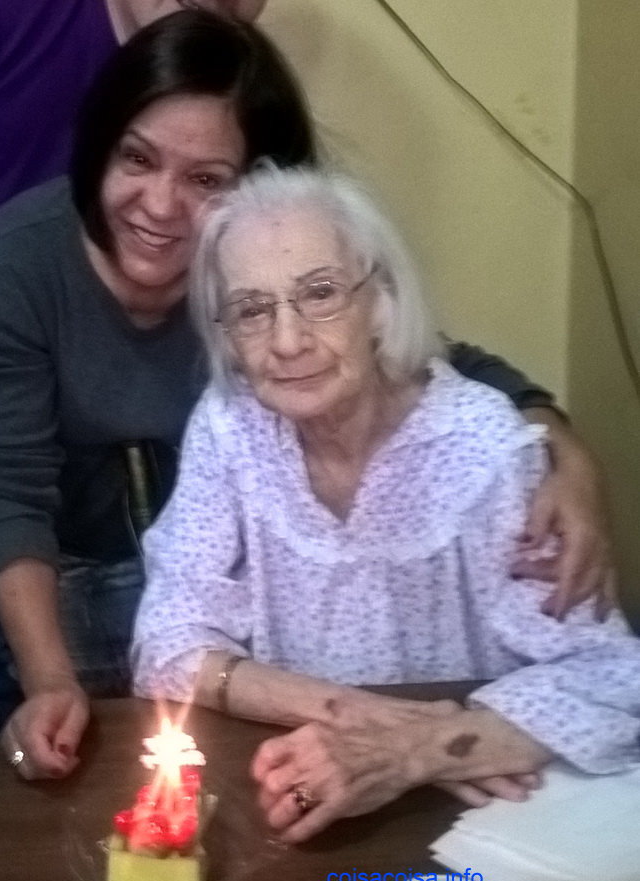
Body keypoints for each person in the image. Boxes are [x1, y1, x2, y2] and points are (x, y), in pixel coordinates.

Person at [0, 0, 607, 836]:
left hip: (32, 472)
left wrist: (546, 435)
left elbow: (405, 347)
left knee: (6, 689)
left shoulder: (251, 252)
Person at [131, 166, 640, 843]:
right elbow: (164, 641)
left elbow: (615, 680)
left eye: (320, 294)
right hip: (295, 781)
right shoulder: (231, 427)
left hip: (476, 820)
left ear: (383, 303)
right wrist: (349, 715)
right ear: (226, 334)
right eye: (253, 309)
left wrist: (415, 752)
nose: (287, 341)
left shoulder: (485, 444)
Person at [0, 8, 315, 781]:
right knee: (60, 780)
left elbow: (409, 358)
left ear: (258, 187)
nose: (159, 205)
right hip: (69, 560)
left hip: (233, 570)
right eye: (137, 159)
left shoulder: (276, 253)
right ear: (99, 148)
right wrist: (48, 679)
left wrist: (542, 424)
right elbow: (10, 489)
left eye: (206, 180)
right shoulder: (17, 257)